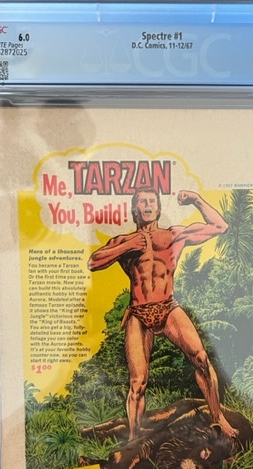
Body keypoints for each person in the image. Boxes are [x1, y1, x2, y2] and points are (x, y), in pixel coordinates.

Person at [88, 187, 237, 441]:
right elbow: (93, 262)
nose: (147, 205)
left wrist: (196, 200)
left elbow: (220, 226)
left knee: (201, 358)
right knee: (138, 382)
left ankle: (218, 417)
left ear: (158, 208)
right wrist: (128, 246)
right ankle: (134, 439)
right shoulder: (124, 241)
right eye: (142, 202)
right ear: (135, 209)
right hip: (138, 313)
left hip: (168, 308)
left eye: (152, 201)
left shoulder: (173, 235)